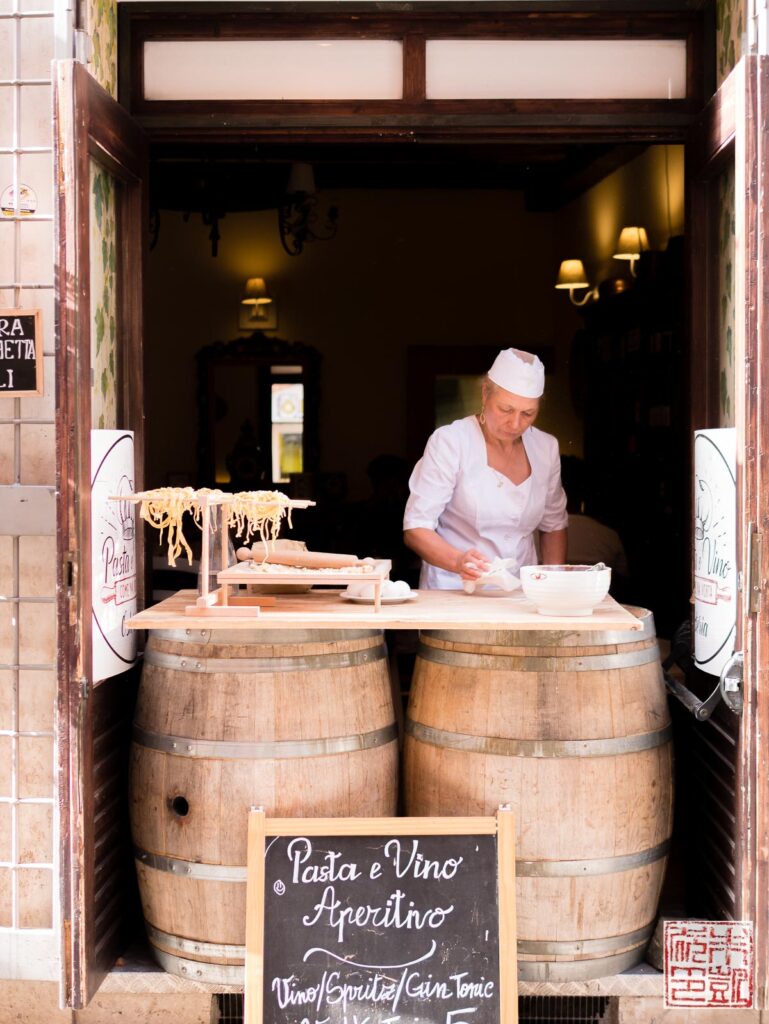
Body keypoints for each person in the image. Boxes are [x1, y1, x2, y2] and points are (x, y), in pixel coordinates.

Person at [403, 348, 568, 589]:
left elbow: (553, 525)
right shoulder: (451, 442)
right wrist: (458, 561)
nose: (515, 423)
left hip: (521, 594)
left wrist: (554, 586)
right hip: (454, 590)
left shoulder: (546, 448)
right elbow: (416, 528)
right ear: (484, 394)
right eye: (506, 409)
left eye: (528, 413)